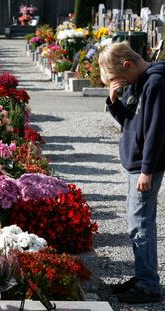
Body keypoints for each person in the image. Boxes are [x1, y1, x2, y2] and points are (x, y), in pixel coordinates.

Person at [99, 41, 165, 304]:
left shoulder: (156, 83)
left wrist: (147, 170)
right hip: (135, 164)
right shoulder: (139, 82)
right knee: (136, 223)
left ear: (129, 65)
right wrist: (114, 102)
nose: (121, 84)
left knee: (141, 225)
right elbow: (131, 123)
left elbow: (156, 131)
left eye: (120, 79)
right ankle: (142, 277)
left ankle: (148, 284)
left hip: (144, 167)